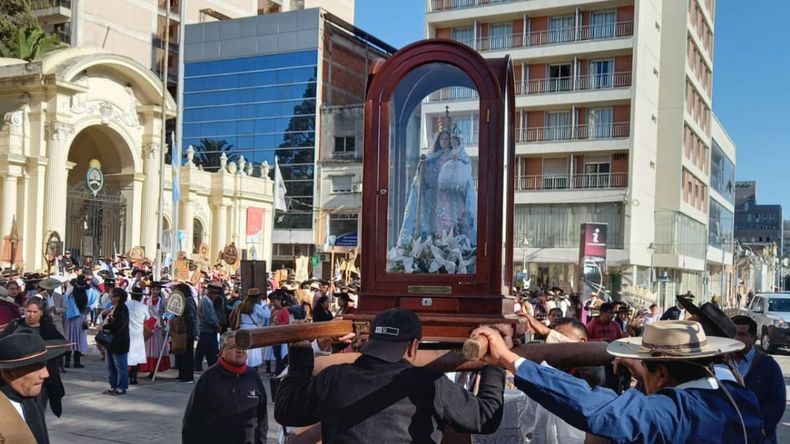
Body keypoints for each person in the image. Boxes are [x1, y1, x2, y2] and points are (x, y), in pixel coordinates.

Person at [475, 320, 764, 443]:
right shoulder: (739, 397)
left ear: (661, 374)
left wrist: (508, 360)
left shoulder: (672, 415)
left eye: (649, 372)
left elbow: (594, 406)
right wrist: (644, 373)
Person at [275, 308, 505, 442]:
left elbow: (286, 411)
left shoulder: (334, 378)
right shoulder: (429, 384)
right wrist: (496, 363)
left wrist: (300, 353)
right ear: (413, 347)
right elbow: (486, 417)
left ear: (370, 340)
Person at [393, 129, 478, 273]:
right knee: (438, 222)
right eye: (442, 139)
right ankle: (437, 247)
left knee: (453, 222)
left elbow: (464, 171)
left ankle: (453, 251)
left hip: (453, 197)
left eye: (447, 139)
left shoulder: (457, 155)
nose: (445, 142)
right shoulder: (434, 158)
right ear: (438, 141)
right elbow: (426, 175)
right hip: (438, 197)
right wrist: (422, 166)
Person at [182, 331, 268, 444]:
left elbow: (262, 417)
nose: (239, 350)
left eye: (243, 346)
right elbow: (192, 421)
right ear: (222, 350)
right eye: (233, 347)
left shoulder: (253, 376)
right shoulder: (208, 378)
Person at [0, 327, 70, 444]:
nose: (46, 374)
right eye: (36, 367)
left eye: (45, 365)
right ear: (8, 374)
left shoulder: (29, 399)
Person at [731, 315, 786, 443]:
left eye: (741, 335)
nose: (735, 339)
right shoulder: (719, 362)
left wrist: (755, 424)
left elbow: (777, 403)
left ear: (754, 339)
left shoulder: (768, 366)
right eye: (732, 334)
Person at [102, 287, 130, 395]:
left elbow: (118, 325)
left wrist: (105, 327)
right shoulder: (113, 307)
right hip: (110, 341)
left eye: (112, 296)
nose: (110, 297)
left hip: (119, 341)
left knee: (120, 365)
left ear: (118, 297)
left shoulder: (122, 308)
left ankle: (122, 387)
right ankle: (113, 385)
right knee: (111, 366)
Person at [63, 275, 91, 369]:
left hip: (69, 319)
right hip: (80, 319)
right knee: (78, 339)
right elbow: (85, 309)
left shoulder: (69, 295)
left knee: (69, 339)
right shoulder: (84, 296)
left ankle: (67, 362)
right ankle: (76, 362)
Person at [173, 283, 198, 383]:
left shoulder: (188, 302)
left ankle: (188, 376)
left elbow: (190, 317)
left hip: (187, 331)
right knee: (182, 353)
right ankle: (182, 374)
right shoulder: (185, 301)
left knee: (187, 354)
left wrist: (182, 322)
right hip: (184, 331)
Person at [143, 281, 170, 376]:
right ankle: (148, 368)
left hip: (158, 327)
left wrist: (166, 325)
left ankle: (153, 370)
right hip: (147, 326)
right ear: (150, 290)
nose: (155, 291)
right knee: (147, 349)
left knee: (156, 349)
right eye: (153, 289)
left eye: (157, 289)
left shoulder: (162, 301)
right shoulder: (146, 300)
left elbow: (167, 314)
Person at [195, 283, 222, 371]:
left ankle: (212, 365)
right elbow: (208, 317)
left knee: (211, 349)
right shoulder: (205, 301)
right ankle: (197, 365)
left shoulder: (208, 301)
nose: (215, 296)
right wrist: (216, 325)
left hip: (210, 329)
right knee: (203, 348)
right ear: (210, 293)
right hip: (206, 329)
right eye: (214, 294)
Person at [238, 288, 267, 369]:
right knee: (253, 351)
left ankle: (243, 366)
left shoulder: (242, 305)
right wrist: (265, 305)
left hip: (242, 328)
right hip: (252, 329)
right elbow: (267, 315)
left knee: (245, 348)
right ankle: (253, 369)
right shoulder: (256, 306)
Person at [125, 287, 148, 385]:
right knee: (137, 356)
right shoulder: (143, 307)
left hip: (126, 332)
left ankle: (124, 375)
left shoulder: (125, 305)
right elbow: (148, 317)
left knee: (126, 355)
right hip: (138, 333)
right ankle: (133, 377)